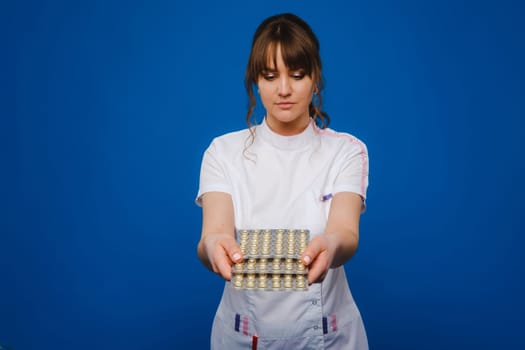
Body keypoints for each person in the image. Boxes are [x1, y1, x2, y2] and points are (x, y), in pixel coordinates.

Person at [196, 13, 369, 349]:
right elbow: (212, 233)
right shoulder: (223, 152)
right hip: (241, 336)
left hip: (330, 336)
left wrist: (330, 245)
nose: (285, 89)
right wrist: (215, 247)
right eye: (271, 76)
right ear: (255, 82)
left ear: (315, 79)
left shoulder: (347, 151)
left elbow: (345, 233)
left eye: (298, 75)